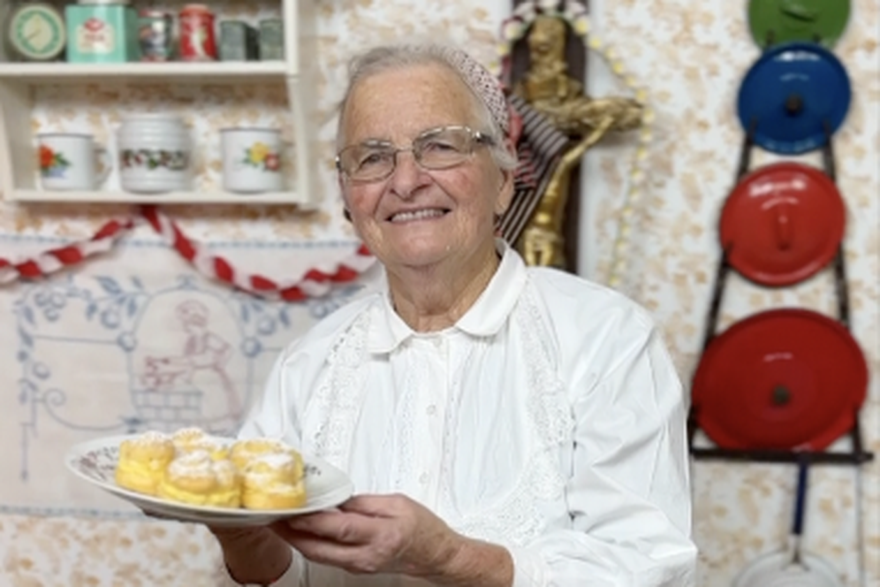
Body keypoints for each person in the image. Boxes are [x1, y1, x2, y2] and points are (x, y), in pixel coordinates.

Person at [212, 41, 698, 586]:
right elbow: (283, 577)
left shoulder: (608, 341)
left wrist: (449, 558)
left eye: (440, 146)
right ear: (349, 201)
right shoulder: (309, 365)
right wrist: (240, 533)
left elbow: (648, 569)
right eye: (371, 157)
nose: (405, 181)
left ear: (504, 180)